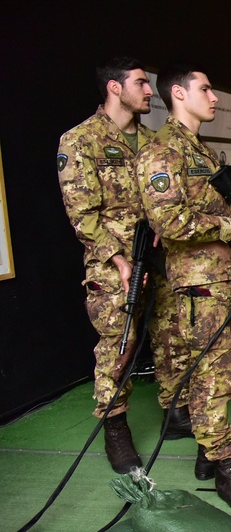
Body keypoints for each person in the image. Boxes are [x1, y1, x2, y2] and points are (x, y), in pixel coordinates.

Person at [137, 65, 231, 514]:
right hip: (197, 285)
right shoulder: (162, 151)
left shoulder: (201, 150)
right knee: (212, 375)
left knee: (221, 371)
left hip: (222, 278)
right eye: (206, 89)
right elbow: (168, 221)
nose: (214, 97)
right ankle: (226, 469)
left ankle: (206, 452)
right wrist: (229, 227)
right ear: (178, 93)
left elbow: (220, 217)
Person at [56, 57, 193, 476]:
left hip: (159, 257)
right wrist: (117, 259)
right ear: (115, 88)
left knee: (173, 336)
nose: (150, 91)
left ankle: (176, 412)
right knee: (119, 348)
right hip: (113, 266)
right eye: (140, 84)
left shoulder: (155, 143)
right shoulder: (80, 140)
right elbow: (82, 211)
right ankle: (115, 427)